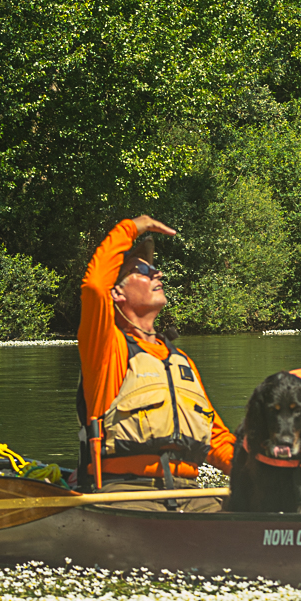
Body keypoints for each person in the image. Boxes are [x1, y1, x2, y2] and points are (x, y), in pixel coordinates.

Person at [76, 215, 236, 511]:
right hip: (126, 491)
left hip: (190, 493)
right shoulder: (107, 348)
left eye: (155, 270)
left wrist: (256, 471)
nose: (157, 274)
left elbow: (216, 439)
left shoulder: (181, 361)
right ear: (117, 293)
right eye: (144, 270)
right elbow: (95, 286)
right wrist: (133, 226)